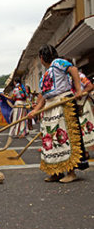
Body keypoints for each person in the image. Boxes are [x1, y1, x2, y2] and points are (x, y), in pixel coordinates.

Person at [28, 44, 88, 183]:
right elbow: (43, 95)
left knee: (64, 137)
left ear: (41, 58)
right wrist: (35, 110)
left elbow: (73, 69)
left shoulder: (58, 63)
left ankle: (71, 172)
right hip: (50, 107)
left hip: (62, 104)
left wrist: (78, 90)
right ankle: (56, 171)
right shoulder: (46, 74)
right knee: (51, 138)